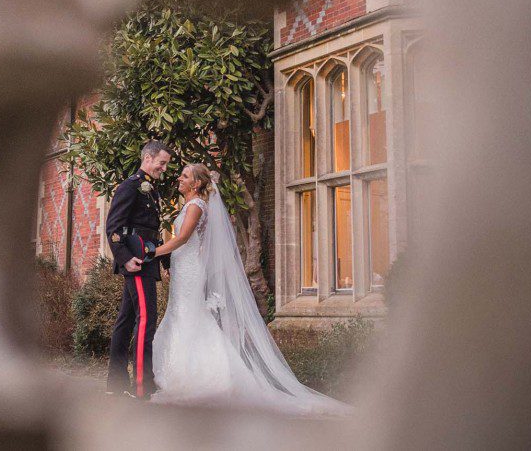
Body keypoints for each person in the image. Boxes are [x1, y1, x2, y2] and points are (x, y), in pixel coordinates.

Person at [150, 163, 351, 416]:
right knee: (182, 316)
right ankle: (183, 372)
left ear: (197, 183)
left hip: (190, 271)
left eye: (185, 175)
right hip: (183, 268)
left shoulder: (196, 206)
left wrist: (152, 252)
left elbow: (182, 239)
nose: (178, 177)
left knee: (190, 317)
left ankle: (208, 377)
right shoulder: (191, 205)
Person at [104, 140, 172, 399]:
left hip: (147, 260)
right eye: (161, 163)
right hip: (137, 262)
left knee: (125, 321)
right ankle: (143, 386)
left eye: (165, 164)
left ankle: (116, 383)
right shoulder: (130, 187)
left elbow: (152, 232)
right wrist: (125, 259)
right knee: (146, 320)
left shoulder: (151, 190)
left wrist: (166, 263)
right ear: (147, 158)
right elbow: (114, 227)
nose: (163, 168)